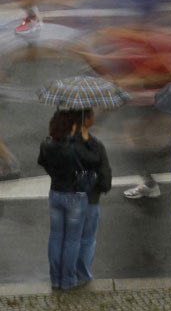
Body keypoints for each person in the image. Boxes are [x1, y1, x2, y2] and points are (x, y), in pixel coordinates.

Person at [37, 110, 101, 290]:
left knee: (56, 237)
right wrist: (87, 139)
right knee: (72, 240)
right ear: (69, 127)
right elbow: (95, 160)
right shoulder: (74, 147)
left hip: (55, 194)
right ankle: (67, 280)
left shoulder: (46, 144)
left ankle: (55, 279)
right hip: (75, 196)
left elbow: (42, 162)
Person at [74, 109, 112, 285]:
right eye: (92, 116)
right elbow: (105, 175)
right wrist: (101, 188)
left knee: (70, 238)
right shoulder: (96, 145)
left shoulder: (65, 143)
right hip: (90, 199)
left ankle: (69, 273)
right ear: (87, 120)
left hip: (70, 197)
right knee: (88, 239)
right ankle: (83, 274)